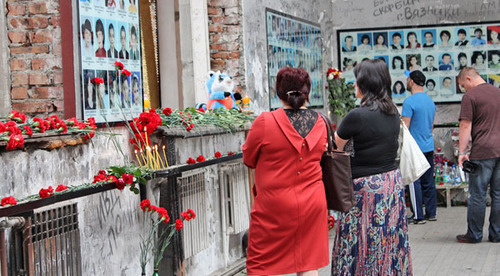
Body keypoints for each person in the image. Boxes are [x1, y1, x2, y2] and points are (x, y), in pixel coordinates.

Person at [242, 67, 329, 275]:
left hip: (274, 206)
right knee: (308, 263)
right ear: (307, 92)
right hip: (313, 202)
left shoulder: (265, 122)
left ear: (279, 92)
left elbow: (249, 159)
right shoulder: (321, 122)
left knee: (260, 265)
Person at [331, 59, 412, 275]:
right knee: (389, 239)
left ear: (365, 84)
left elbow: (335, 150)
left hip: (364, 189)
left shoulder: (356, 116)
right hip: (391, 184)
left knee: (360, 241)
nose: (354, 84)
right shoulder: (393, 112)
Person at [456, 67, 500, 243]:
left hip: (483, 152)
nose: (463, 89)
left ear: (468, 79)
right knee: (498, 194)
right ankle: (497, 234)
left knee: (478, 194)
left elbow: (465, 126)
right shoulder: (497, 92)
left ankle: (474, 235)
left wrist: (462, 152)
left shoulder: (470, 96)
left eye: (462, 85)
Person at [402, 70, 437, 224]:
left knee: (413, 180)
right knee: (429, 180)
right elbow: (432, 125)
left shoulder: (409, 102)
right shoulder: (430, 101)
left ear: (412, 81)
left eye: (408, 79)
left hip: (414, 148)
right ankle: (431, 213)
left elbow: (405, 126)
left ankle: (418, 215)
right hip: (428, 145)